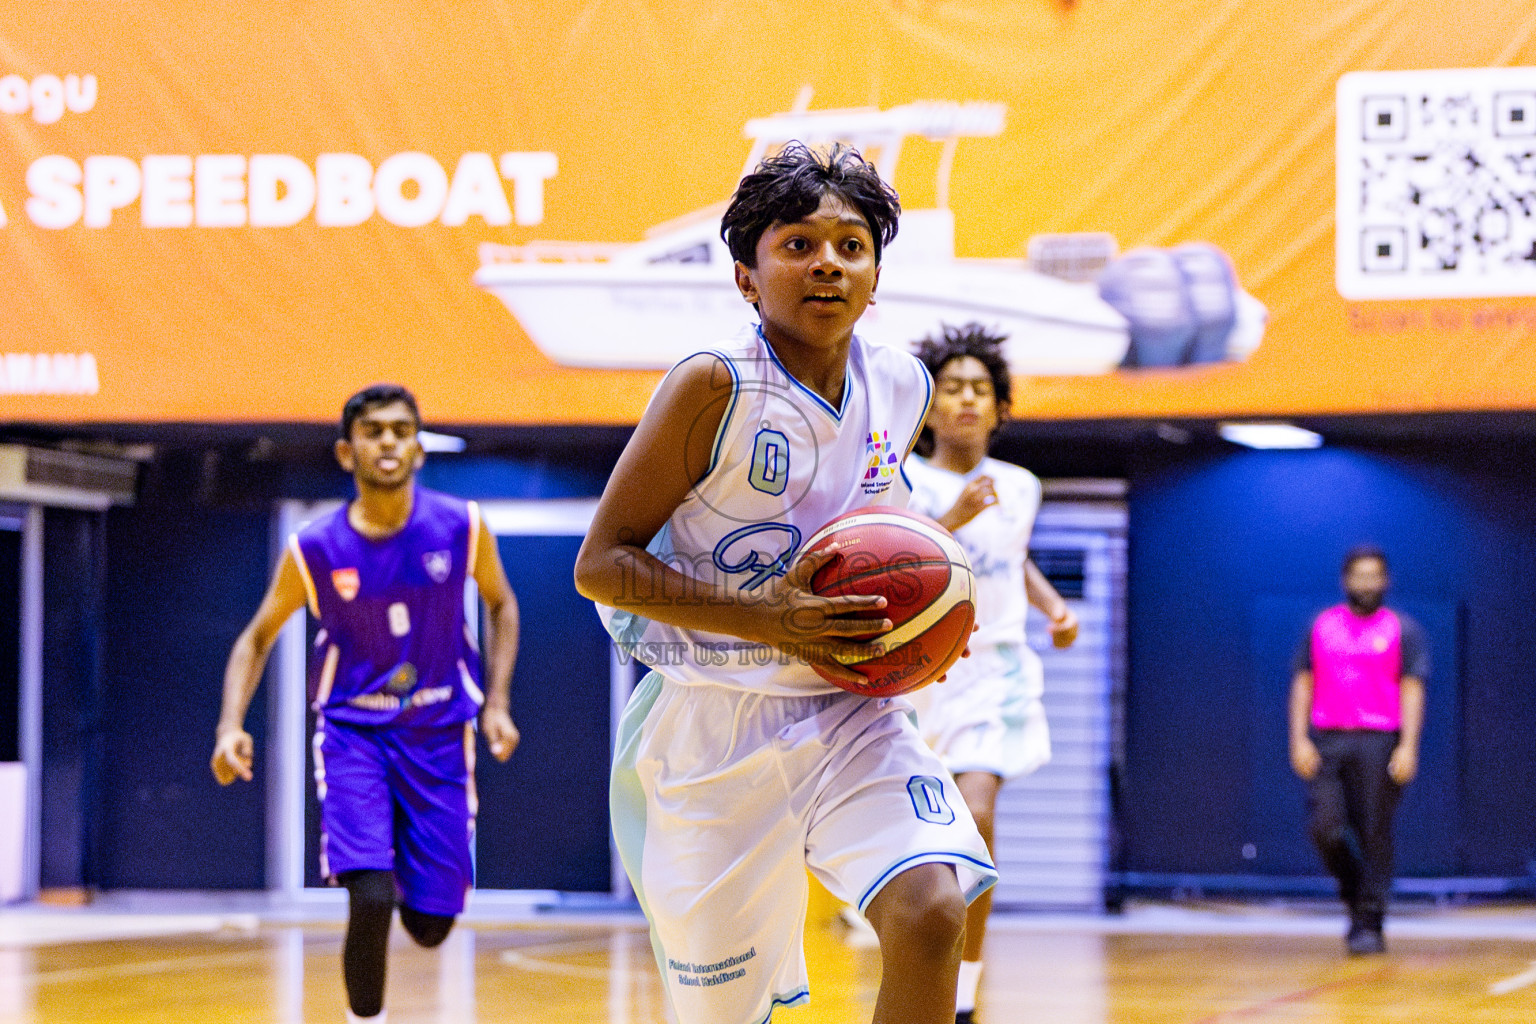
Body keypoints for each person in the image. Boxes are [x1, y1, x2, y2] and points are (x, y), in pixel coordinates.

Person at [573, 142, 996, 1024]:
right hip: (715, 724)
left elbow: (889, 539)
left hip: (852, 707)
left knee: (930, 913)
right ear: (746, 276)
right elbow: (601, 564)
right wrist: (767, 618)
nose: (827, 263)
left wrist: (927, 633)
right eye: (797, 244)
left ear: (876, 278)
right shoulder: (712, 385)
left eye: (850, 245)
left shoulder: (902, 385)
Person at [210, 384, 521, 1024]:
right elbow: (257, 637)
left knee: (433, 925)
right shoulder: (314, 548)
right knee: (371, 895)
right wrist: (229, 726)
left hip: (440, 734)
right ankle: (364, 1016)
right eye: (373, 430)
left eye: (401, 430)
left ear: (418, 447)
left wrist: (497, 703)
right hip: (355, 735)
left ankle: (413, 855)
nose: (388, 442)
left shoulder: (462, 526)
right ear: (346, 451)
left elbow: (502, 605)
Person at [901, 322, 1078, 1024]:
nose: (967, 399)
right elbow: (900, 563)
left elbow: (1013, 557)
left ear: (1000, 408)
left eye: (981, 388)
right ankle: (917, 964)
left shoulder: (1021, 486)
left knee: (975, 816)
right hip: (917, 681)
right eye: (952, 388)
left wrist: (1054, 606)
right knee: (921, 848)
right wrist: (952, 514)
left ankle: (965, 992)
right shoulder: (903, 478)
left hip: (995, 672)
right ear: (930, 407)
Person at [1288, 545, 1425, 956]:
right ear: (1346, 581)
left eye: (1374, 576)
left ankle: (1369, 922)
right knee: (1327, 829)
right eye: (1359, 576)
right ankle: (1353, 894)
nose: (1366, 583)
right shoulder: (1322, 625)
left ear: (1385, 581)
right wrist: (1299, 737)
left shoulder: (1402, 629)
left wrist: (1408, 745)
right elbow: (1303, 681)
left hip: (1380, 740)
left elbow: (1413, 688)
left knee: (1374, 832)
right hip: (1329, 738)